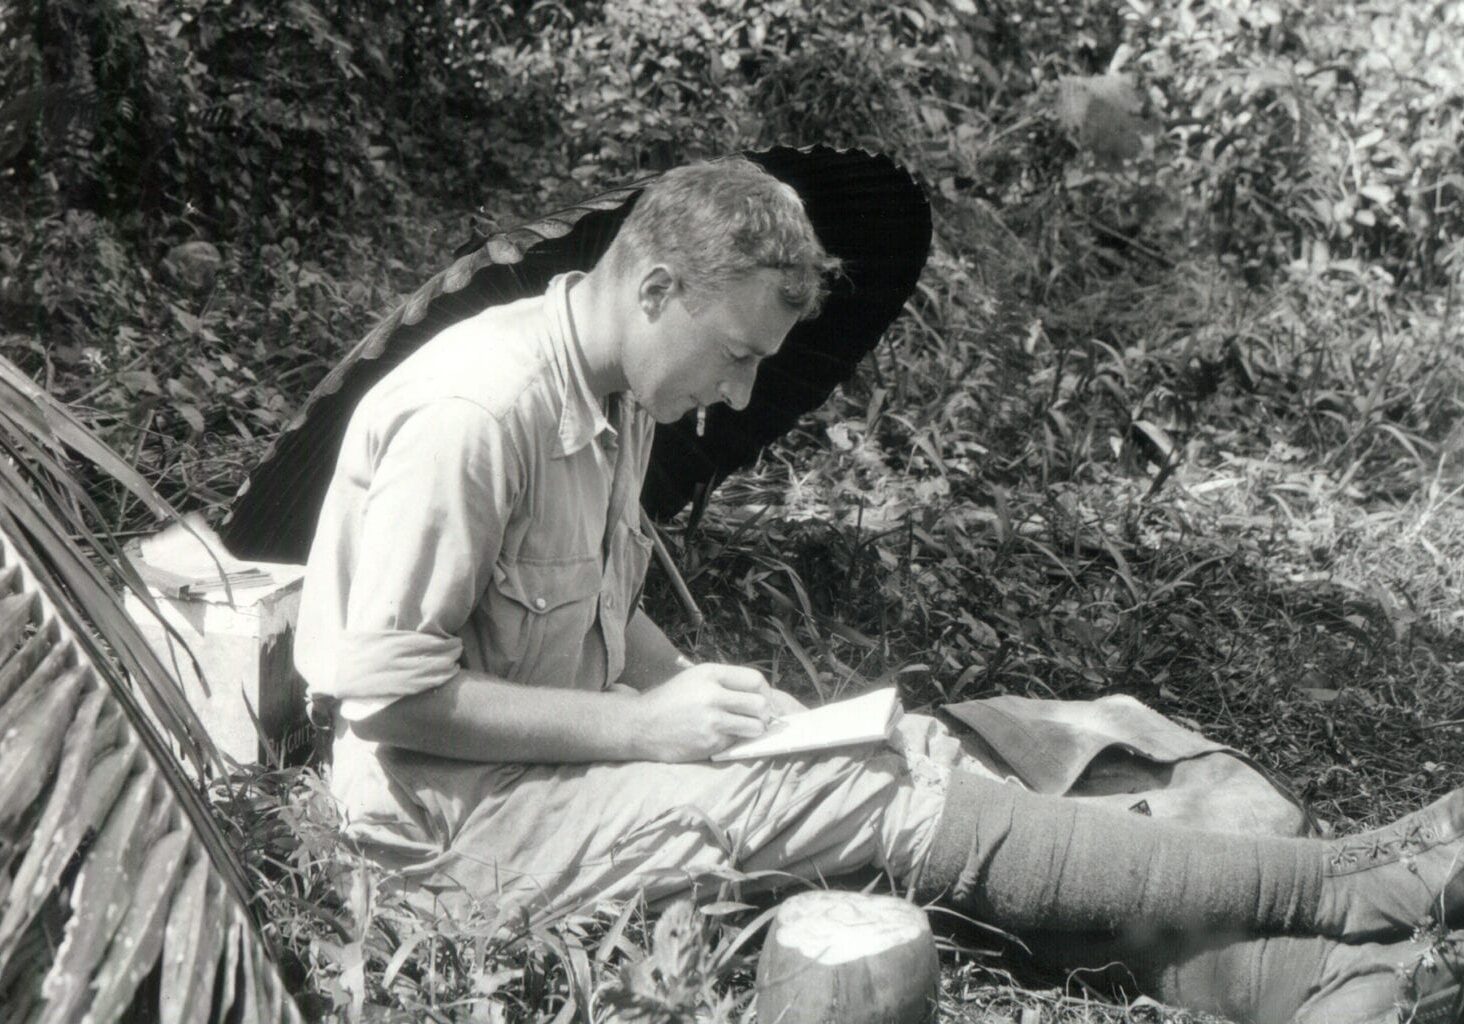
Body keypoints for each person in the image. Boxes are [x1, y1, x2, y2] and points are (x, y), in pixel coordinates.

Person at [294, 156, 1464, 1023]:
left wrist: (718, 702)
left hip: (547, 768)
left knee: (910, 759)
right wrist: (646, 726)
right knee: (867, 799)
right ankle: (1337, 888)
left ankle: (1323, 976)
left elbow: (601, 602)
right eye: (739, 354)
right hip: (449, 826)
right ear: (653, 289)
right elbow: (385, 695)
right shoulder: (477, 413)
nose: (742, 397)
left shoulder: (618, 393)